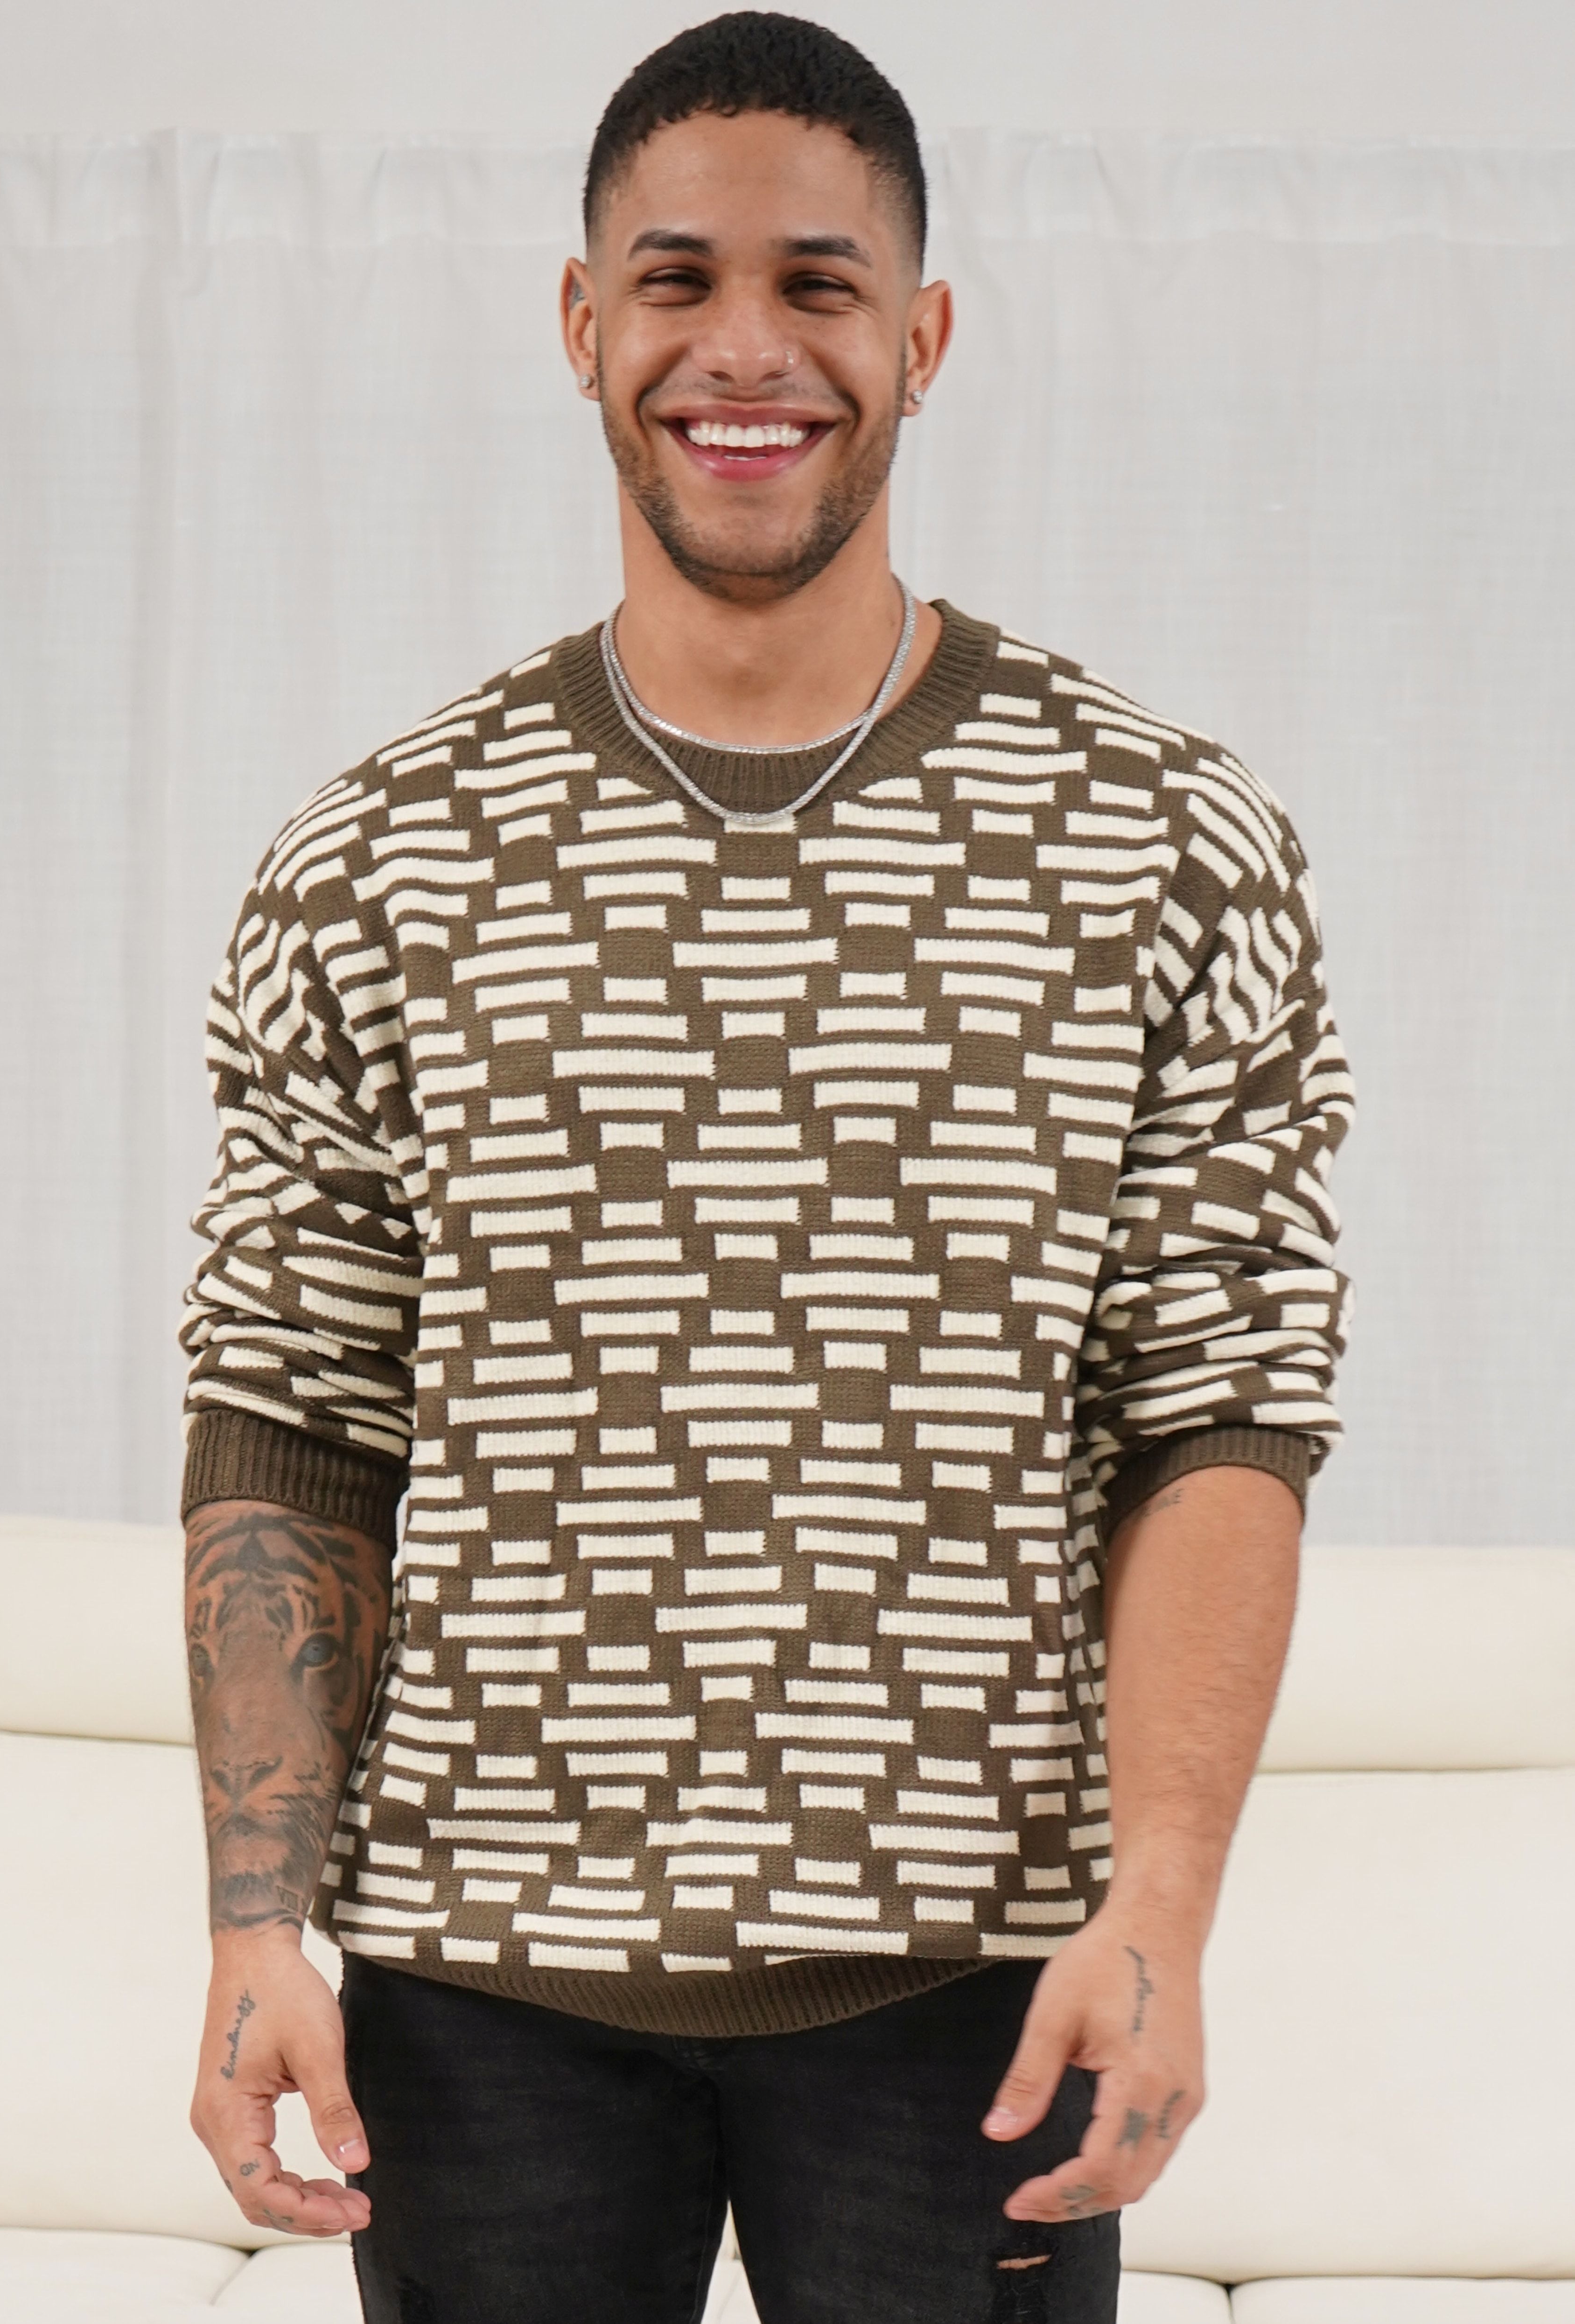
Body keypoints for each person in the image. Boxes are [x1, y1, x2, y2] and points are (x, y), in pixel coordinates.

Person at [180, 15, 1355, 2321]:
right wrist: (251, 1925)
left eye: (818, 285)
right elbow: (293, 1408)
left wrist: (1160, 1908)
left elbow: (1216, 1408)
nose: (744, 349)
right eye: (675, 279)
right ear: (577, 321)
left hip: (979, 1990)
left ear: (922, 338)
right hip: (476, 1986)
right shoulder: (374, 860)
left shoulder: (1163, 840)